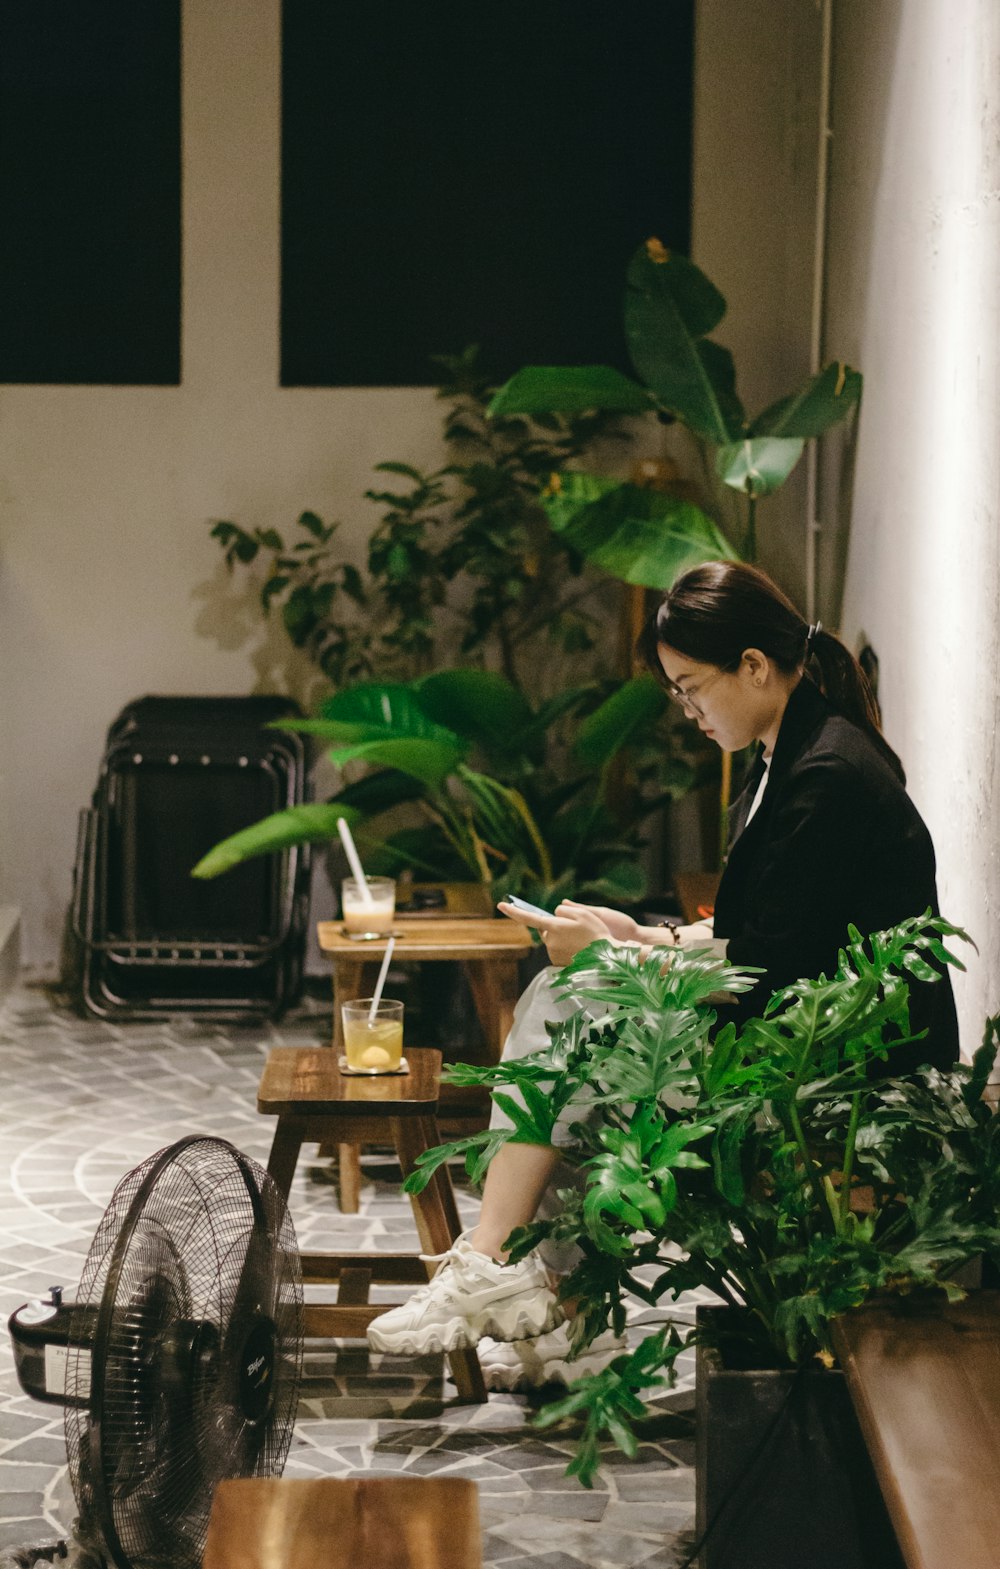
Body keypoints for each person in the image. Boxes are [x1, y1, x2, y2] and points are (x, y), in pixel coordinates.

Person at [368, 560, 959, 1385]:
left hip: (841, 1069)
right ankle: (548, 1305)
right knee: (574, 1028)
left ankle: (505, 1263)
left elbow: (766, 974)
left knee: (575, 1014)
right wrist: (644, 935)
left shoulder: (827, 775)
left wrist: (613, 956)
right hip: (803, 1031)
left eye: (691, 687)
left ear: (753, 665)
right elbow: (771, 938)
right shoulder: (789, 749)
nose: (687, 711)